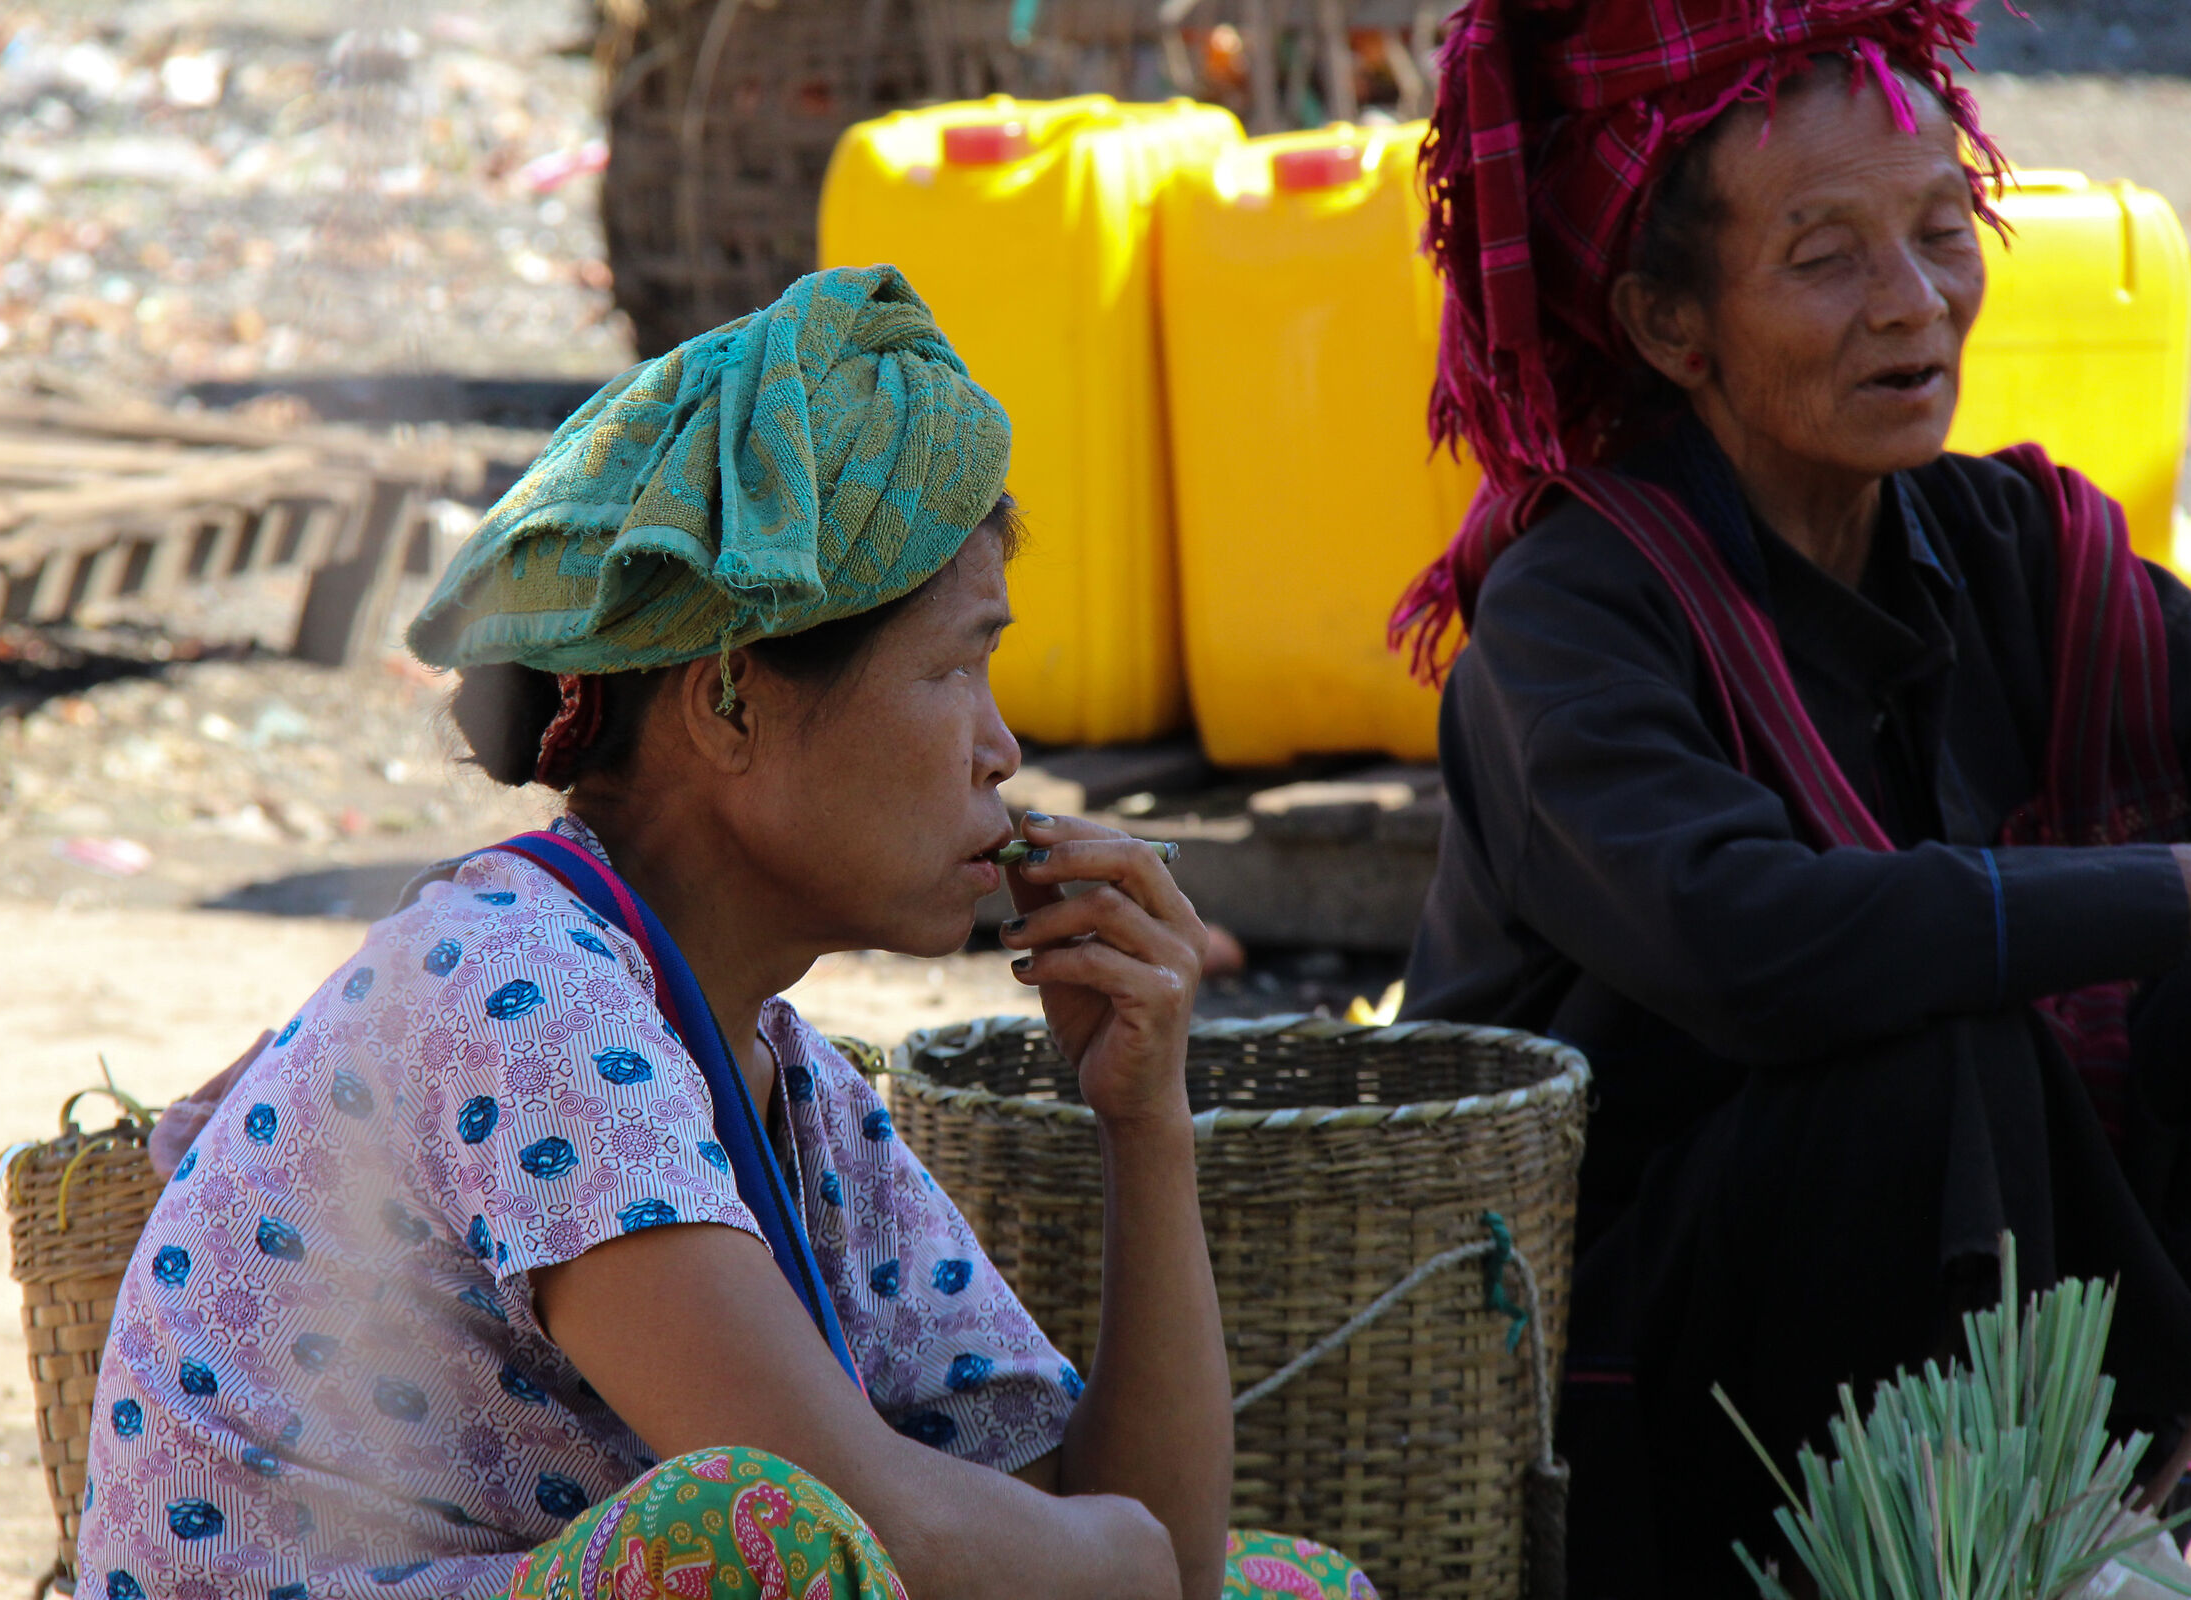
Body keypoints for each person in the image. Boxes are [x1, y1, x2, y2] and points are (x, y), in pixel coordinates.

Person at [79, 266, 1374, 1600]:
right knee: (759, 1537)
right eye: (951, 669)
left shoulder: (796, 1094)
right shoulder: (518, 993)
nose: (1002, 750)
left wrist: (1145, 1121)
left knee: (1289, 1589)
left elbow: (1164, 1552)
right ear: (733, 704)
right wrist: (1127, 1561)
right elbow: (883, 1534)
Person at [1391, 2, 2191, 1592]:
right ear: (1672, 326)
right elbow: (1749, 939)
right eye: (1826, 258)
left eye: (1941, 231)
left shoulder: (2018, 553)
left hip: (1964, 1334)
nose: (1914, 304)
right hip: (1630, 1394)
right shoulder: (1576, 616)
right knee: (1924, 1038)